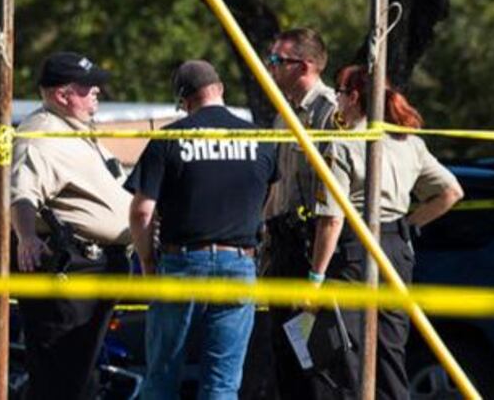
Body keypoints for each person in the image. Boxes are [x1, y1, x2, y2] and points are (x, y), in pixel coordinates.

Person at [308, 65, 464, 399]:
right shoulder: (408, 143)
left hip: (353, 250)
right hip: (396, 249)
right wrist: (408, 225)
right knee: (391, 351)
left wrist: (315, 278)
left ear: (353, 97)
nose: (335, 100)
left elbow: (331, 220)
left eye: (339, 93)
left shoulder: (344, 145)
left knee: (342, 352)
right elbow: (451, 192)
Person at [127, 60, 279, 400]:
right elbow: (268, 202)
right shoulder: (262, 138)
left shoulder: (170, 138)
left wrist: (148, 262)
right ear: (220, 89)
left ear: (183, 101)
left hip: (181, 263)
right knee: (222, 384)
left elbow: (141, 211)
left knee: (162, 377)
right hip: (240, 262)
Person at [10, 51, 133, 400]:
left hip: (97, 267)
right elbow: (22, 194)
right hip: (70, 270)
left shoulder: (76, 131)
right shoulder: (43, 134)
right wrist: (28, 238)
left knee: (80, 377)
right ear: (62, 95)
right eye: (87, 87)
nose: (97, 91)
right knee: (61, 378)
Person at [260, 27, 341, 396]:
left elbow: (333, 199)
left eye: (278, 60)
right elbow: (277, 185)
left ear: (305, 66)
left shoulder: (329, 112)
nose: (270, 66)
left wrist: (317, 274)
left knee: (316, 363)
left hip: (313, 249)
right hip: (282, 247)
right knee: (284, 359)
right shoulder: (285, 115)